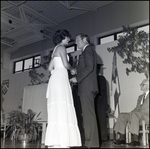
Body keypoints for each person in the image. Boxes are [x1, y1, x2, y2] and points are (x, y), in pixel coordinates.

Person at [45, 29, 81, 148]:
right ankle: (64, 141)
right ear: (63, 37)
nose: (69, 39)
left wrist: (58, 71)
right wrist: (72, 69)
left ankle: (56, 141)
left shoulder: (54, 50)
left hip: (55, 78)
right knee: (63, 104)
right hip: (60, 78)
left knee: (57, 106)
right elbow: (66, 64)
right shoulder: (61, 48)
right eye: (67, 37)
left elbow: (50, 68)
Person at [70, 33, 100, 148]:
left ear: (84, 40)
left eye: (78, 40)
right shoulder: (86, 51)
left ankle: (91, 143)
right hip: (87, 87)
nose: (76, 42)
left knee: (88, 116)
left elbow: (89, 67)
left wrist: (77, 78)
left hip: (87, 87)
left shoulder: (88, 50)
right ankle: (92, 142)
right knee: (88, 115)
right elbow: (87, 67)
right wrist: (76, 71)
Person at [113, 78, 149, 146]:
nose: (140, 86)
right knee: (122, 115)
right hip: (137, 115)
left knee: (135, 115)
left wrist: (134, 113)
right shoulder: (140, 97)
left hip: (146, 115)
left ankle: (135, 140)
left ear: (148, 86)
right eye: (140, 84)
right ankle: (122, 138)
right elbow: (136, 108)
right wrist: (131, 113)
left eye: (142, 84)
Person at [95, 64, 108, 142]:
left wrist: (96, 100)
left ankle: (103, 137)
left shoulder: (101, 78)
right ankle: (100, 136)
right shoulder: (98, 78)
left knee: (101, 119)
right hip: (99, 101)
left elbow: (101, 91)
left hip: (100, 101)